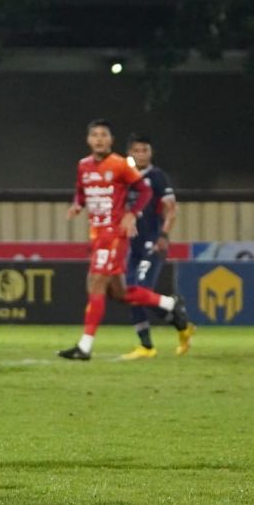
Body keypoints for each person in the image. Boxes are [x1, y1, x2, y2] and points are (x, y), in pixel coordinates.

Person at [57, 118, 191, 361]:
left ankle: (85, 347)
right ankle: (170, 304)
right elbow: (81, 191)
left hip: (114, 234)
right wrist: (77, 204)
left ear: (111, 140)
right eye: (94, 135)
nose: (99, 139)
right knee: (119, 293)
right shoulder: (83, 166)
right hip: (96, 233)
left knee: (96, 281)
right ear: (88, 140)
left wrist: (130, 214)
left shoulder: (119, 165)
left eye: (103, 135)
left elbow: (144, 190)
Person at [121, 133, 196, 360]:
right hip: (132, 246)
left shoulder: (157, 177)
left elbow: (171, 209)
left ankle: (172, 313)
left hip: (152, 242)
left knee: (139, 292)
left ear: (151, 153)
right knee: (133, 294)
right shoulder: (125, 178)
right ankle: (174, 327)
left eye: (145, 150)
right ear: (130, 153)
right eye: (137, 150)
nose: (141, 154)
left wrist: (163, 234)